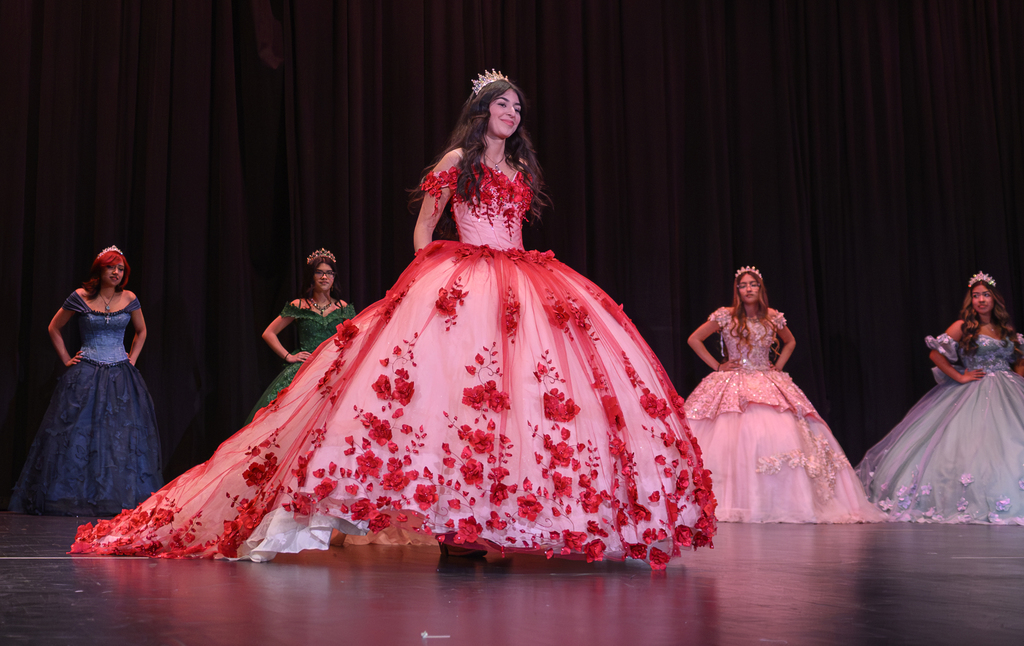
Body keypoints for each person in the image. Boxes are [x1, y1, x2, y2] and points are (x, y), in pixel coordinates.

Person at [72, 71, 716, 569]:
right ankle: (456, 531)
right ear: (482, 111)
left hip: (523, 278)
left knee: (517, 404)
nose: (513, 113)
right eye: (503, 104)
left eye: (518, 107)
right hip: (464, 275)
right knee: (457, 401)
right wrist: (432, 283)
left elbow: (514, 227)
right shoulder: (453, 165)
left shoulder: (518, 168)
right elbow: (423, 229)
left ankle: (488, 523)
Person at [685, 267, 881, 523]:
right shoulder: (726, 315)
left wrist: (778, 366)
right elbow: (694, 339)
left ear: (760, 288)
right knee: (729, 436)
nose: (748, 289)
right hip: (731, 381)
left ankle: (779, 500)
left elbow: (790, 341)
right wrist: (718, 365)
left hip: (766, 377)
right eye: (743, 285)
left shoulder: (773, 318)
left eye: (753, 284)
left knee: (780, 433)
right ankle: (732, 500)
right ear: (737, 290)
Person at [856, 272, 1024, 523]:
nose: (980, 300)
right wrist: (960, 377)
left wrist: (1018, 379)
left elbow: (1019, 359)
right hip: (975, 390)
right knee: (970, 444)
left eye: (985, 295)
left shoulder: (1005, 329)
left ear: (995, 299)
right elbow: (936, 356)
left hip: (1008, 390)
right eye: (976, 295)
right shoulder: (963, 326)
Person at [10, 246, 163, 516]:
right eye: (111, 267)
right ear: (100, 269)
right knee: (78, 436)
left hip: (120, 376)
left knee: (118, 439)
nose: (116, 272)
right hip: (86, 375)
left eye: (120, 269)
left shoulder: (129, 298)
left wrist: (131, 359)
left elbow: (141, 331)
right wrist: (67, 358)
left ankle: (112, 499)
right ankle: (71, 499)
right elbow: (54, 327)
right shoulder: (80, 297)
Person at [244, 249, 355, 425]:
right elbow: (268, 333)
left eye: (329, 273)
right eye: (319, 272)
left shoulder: (342, 307)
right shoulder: (300, 305)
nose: (324, 277)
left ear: (334, 277)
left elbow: (354, 337)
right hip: (306, 371)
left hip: (334, 370)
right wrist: (289, 356)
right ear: (311, 276)